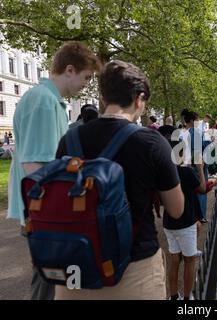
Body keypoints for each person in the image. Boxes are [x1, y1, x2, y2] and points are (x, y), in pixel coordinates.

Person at [54, 60, 184, 300]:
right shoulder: (152, 142)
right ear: (139, 98)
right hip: (134, 273)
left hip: (76, 271)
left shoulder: (69, 139)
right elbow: (176, 209)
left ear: (103, 97)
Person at [7, 41, 101, 300]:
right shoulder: (44, 102)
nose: (86, 84)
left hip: (42, 213)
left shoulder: (46, 99)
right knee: (49, 285)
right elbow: (36, 167)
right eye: (86, 77)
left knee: (51, 282)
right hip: (45, 214)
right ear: (69, 70)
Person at [161, 128, 206, 300]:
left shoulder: (164, 172)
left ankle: (173, 296)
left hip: (169, 223)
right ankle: (187, 298)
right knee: (189, 260)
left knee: (174, 260)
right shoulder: (186, 172)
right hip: (185, 222)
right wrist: (200, 168)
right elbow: (201, 189)